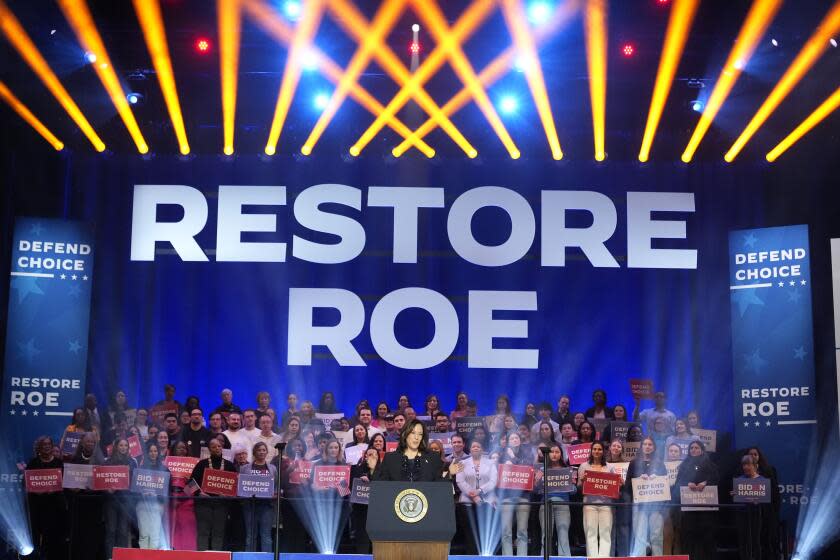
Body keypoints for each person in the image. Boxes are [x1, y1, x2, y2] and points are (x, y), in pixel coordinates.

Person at [374, 419, 463, 481]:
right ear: (405, 434)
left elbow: (439, 487)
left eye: (420, 434)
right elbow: (382, 486)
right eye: (413, 433)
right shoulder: (390, 458)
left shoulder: (433, 458)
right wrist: (372, 469)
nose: (416, 437)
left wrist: (450, 474)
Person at [190, 438, 236, 551]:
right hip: (203, 505)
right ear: (209, 449)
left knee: (218, 534)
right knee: (203, 533)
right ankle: (201, 558)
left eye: (219, 446)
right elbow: (189, 484)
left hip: (221, 505)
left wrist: (228, 496)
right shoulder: (202, 464)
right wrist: (199, 493)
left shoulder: (230, 465)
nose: (217, 449)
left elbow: (235, 487)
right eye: (214, 447)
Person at [676, 440, 718, 560]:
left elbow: (717, 480)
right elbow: (678, 483)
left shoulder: (710, 464)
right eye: (691, 448)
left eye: (696, 448)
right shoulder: (684, 465)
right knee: (690, 535)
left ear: (702, 450)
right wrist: (686, 483)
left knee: (707, 536)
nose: (693, 450)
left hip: (706, 509)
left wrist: (706, 483)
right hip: (689, 509)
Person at [26, 436, 66, 560]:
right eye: (44, 444)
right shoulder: (33, 463)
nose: (47, 446)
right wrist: (35, 490)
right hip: (38, 506)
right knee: (37, 536)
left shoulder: (59, 463)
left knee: (53, 537)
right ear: (39, 447)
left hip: (55, 506)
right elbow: (27, 483)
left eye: (49, 444)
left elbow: (65, 483)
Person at [627, 437, 668, 557]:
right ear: (641, 446)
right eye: (645, 444)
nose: (647, 446)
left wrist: (658, 478)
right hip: (639, 506)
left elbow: (665, 484)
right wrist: (639, 479)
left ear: (654, 447)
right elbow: (627, 484)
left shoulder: (660, 464)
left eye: (650, 444)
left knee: (656, 536)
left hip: (656, 506)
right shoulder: (634, 463)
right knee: (640, 536)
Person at [456, 439, 497, 555]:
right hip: (467, 502)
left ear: (482, 449)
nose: (475, 448)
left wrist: (479, 491)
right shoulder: (462, 463)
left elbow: (493, 481)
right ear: (469, 449)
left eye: (478, 446)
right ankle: (472, 555)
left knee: (484, 532)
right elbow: (460, 481)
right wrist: (472, 495)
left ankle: (485, 556)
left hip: (486, 501)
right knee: (470, 532)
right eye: (473, 446)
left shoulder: (490, 463)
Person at [534, 442, 573, 557]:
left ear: (561, 454)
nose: (554, 454)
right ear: (548, 454)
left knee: (563, 532)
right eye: (552, 452)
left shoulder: (567, 469)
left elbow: (574, 491)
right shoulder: (542, 468)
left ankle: (565, 558)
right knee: (546, 534)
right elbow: (536, 491)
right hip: (546, 503)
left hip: (563, 504)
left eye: (557, 452)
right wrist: (536, 481)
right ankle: (545, 557)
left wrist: (572, 484)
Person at [239, 442, 277, 552]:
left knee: (266, 537)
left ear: (266, 452)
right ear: (254, 452)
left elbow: (276, 486)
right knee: (250, 536)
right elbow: (241, 486)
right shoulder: (245, 468)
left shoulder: (273, 468)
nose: (261, 452)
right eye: (259, 450)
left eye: (264, 450)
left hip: (267, 507)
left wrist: (275, 493)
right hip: (250, 506)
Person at [578, 441, 614, 557]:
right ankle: (592, 558)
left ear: (603, 451)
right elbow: (578, 487)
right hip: (589, 504)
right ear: (591, 450)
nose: (597, 451)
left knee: (605, 533)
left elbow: (614, 486)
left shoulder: (609, 467)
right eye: (594, 449)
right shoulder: (584, 466)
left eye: (599, 449)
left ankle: (603, 558)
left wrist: (620, 484)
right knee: (590, 533)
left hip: (606, 504)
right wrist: (582, 481)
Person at [498, 432, 532, 556]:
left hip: (523, 496)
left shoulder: (527, 455)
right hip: (506, 497)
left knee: (522, 530)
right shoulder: (501, 457)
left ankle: (522, 557)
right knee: (506, 530)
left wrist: (513, 458)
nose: (514, 440)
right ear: (507, 442)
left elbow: (529, 469)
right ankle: (507, 557)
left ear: (520, 440)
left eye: (516, 437)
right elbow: (497, 476)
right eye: (511, 438)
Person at [103, 437, 137, 558]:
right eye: (121, 445)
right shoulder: (108, 462)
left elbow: (135, 483)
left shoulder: (132, 462)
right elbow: (103, 481)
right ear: (116, 446)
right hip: (111, 501)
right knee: (111, 530)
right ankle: (109, 557)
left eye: (126, 446)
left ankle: (121, 557)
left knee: (123, 531)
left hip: (126, 501)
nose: (123, 448)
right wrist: (108, 490)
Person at [747, 446, 781, 559]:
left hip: (767, 512)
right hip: (750, 513)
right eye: (750, 454)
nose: (752, 456)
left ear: (759, 456)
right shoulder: (742, 472)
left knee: (769, 540)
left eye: (755, 454)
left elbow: (775, 492)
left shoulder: (769, 470)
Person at [733, 454, 769, 560]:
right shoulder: (739, 480)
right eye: (744, 465)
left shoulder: (762, 480)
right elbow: (737, 498)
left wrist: (757, 501)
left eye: (748, 465)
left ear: (755, 466)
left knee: (755, 540)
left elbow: (766, 500)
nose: (745, 467)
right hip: (742, 514)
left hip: (755, 513)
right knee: (743, 540)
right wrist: (735, 494)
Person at [136, 441, 168, 549]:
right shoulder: (140, 469)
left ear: (158, 453)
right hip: (142, 504)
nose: (153, 453)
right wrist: (142, 493)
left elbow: (167, 490)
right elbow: (134, 490)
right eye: (150, 451)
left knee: (155, 535)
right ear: (147, 453)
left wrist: (157, 495)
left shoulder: (164, 470)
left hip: (157, 505)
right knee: (144, 535)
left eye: (155, 451)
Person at [350, 447, 380, 553]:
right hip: (361, 510)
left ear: (378, 456)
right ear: (365, 456)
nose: (371, 456)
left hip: (377, 510)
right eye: (369, 454)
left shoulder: (383, 470)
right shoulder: (358, 469)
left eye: (374, 454)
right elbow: (352, 485)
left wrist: (371, 479)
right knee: (362, 536)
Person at [606, 438, 631, 556]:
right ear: (610, 447)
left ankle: (623, 555)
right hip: (608, 496)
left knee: (623, 526)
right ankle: (610, 555)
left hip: (623, 496)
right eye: (614, 446)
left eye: (619, 446)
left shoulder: (627, 464)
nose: (616, 448)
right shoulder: (603, 463)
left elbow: (631, 482)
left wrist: (624, 483)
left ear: (622, 450)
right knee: (610, 526)